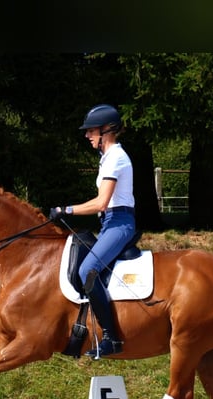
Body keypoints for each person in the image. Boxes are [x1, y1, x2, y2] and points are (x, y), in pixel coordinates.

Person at [50, 104, 135, 358]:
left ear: (106, 130)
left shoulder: (117, 158)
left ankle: (111, 337)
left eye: (91, 131)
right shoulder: (106, 159)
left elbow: (101, 202)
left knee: (87, 270)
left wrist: (67, 210)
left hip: (120, 223)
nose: (87, 136)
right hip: (109, 222)